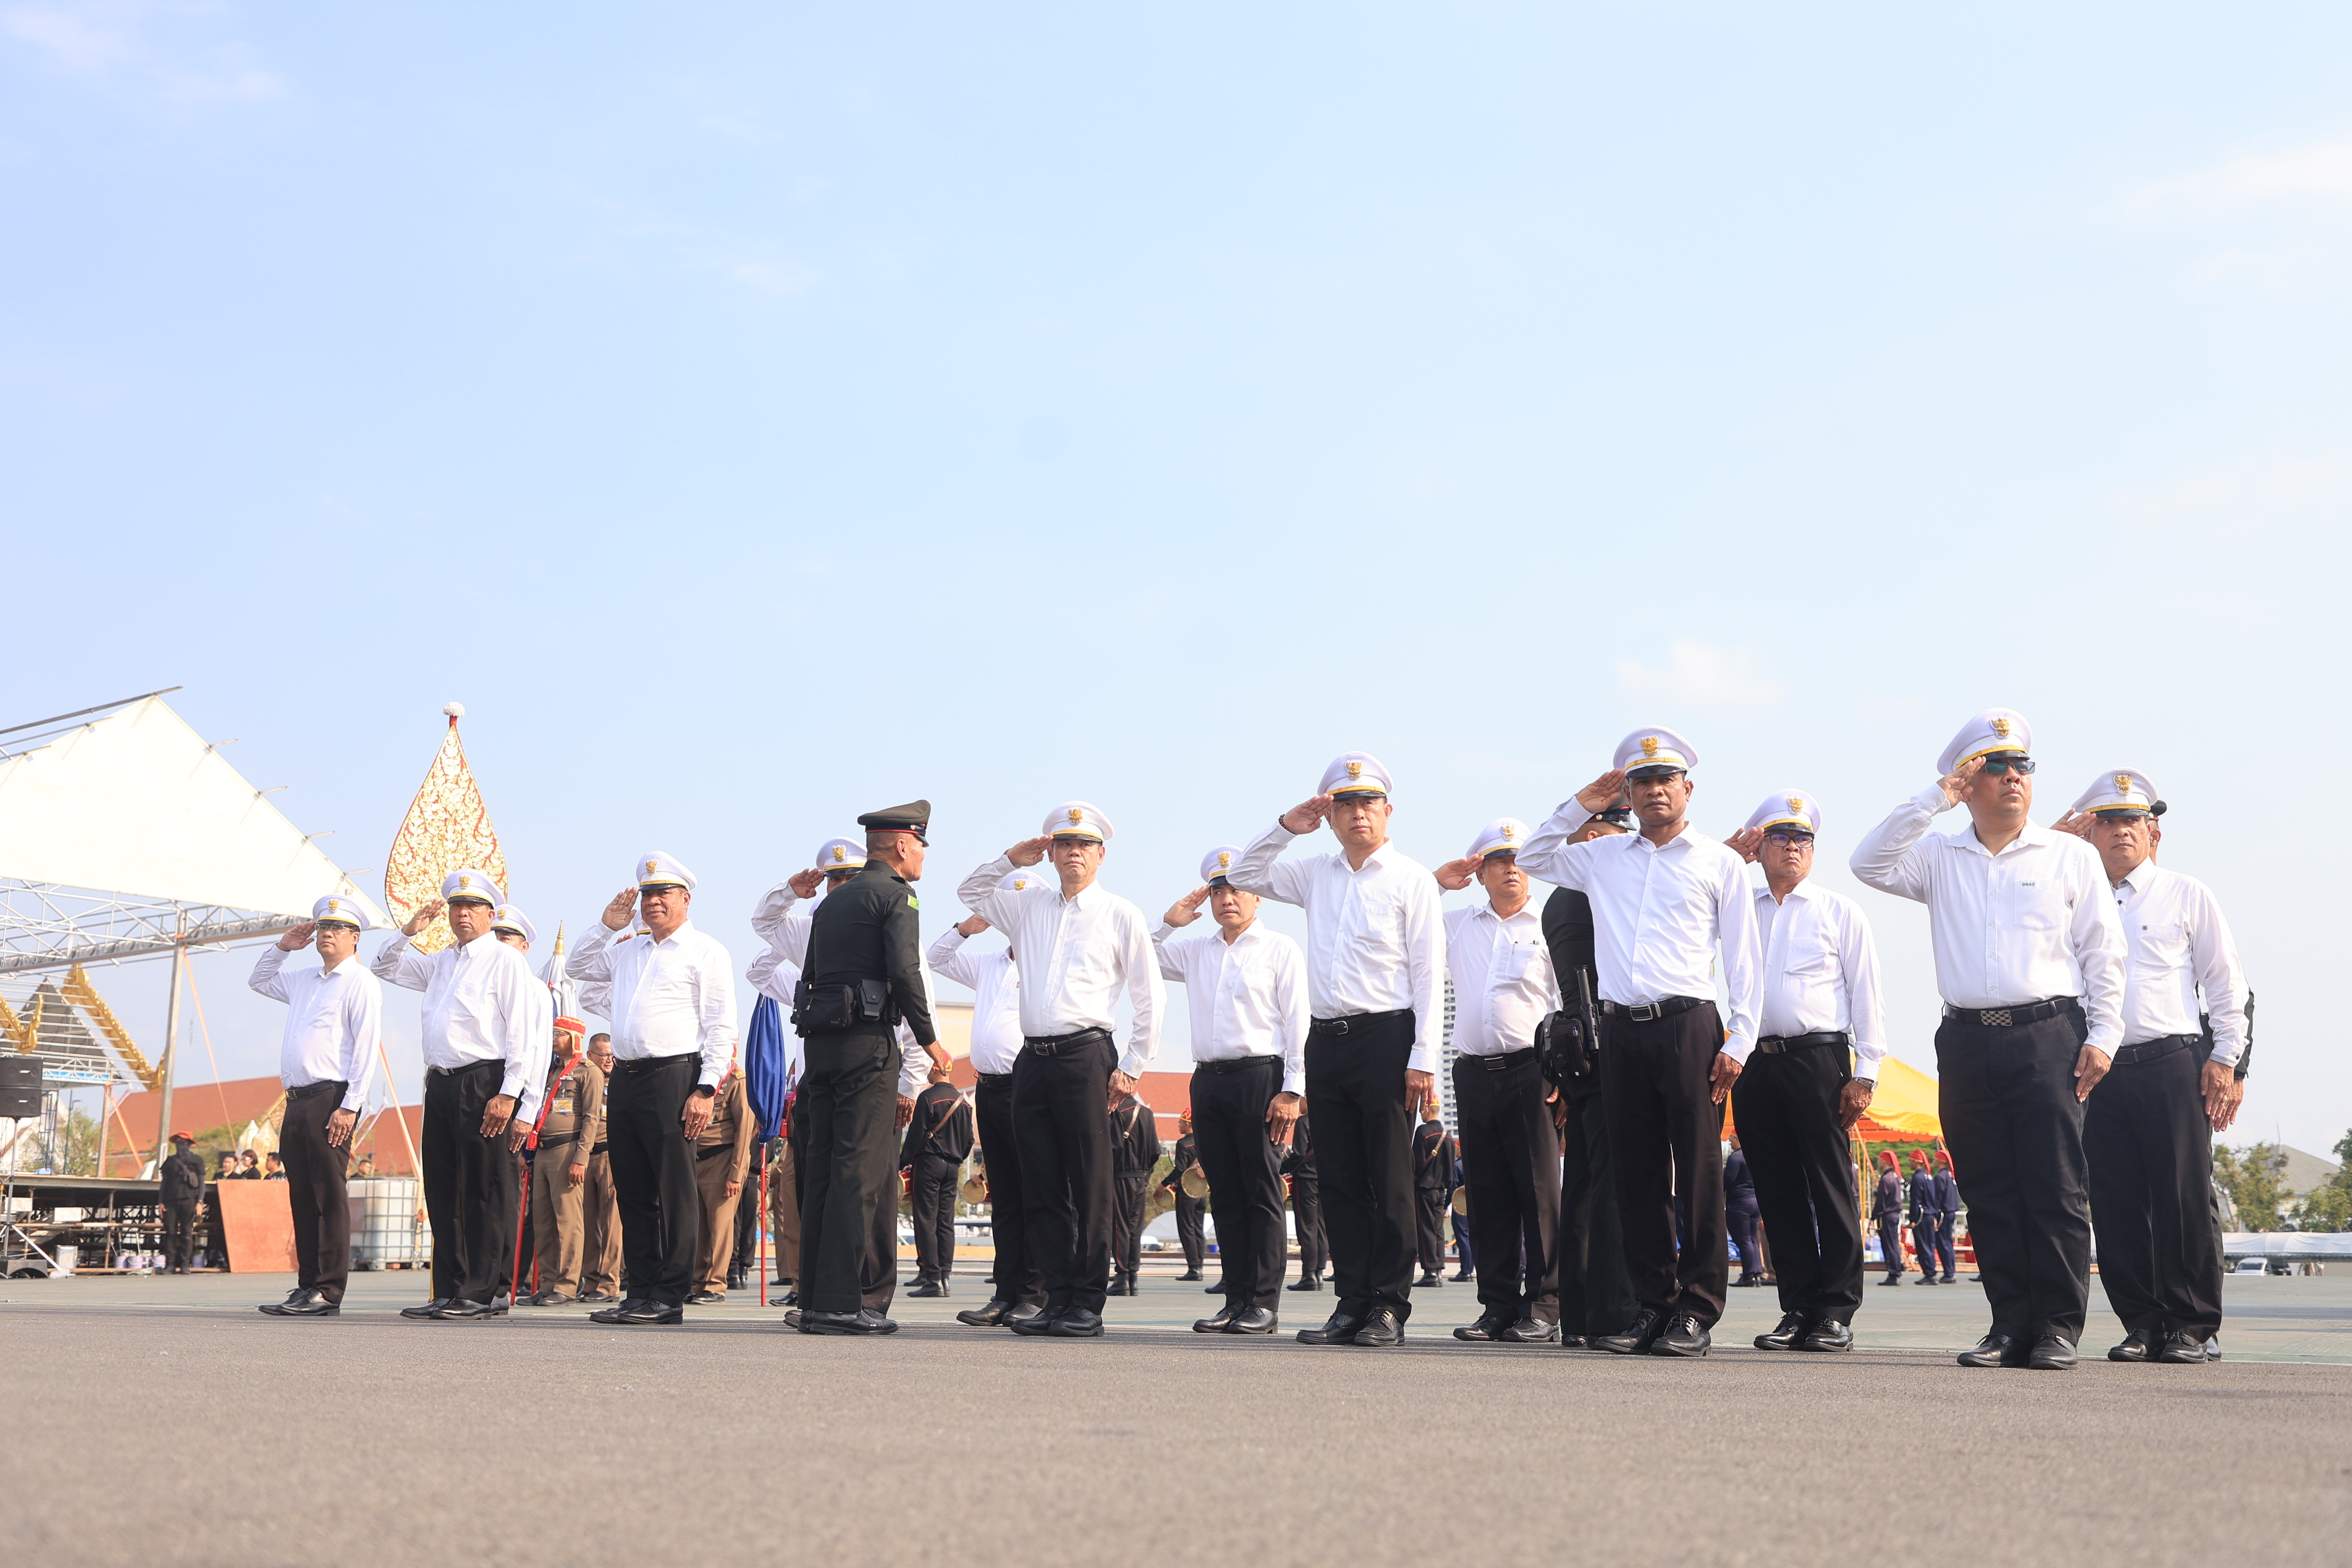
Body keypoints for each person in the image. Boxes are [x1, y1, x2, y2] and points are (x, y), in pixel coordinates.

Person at [1851, 708, 2126, 1371]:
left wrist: (2106, 1033)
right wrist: (1933, 799)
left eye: (2022, 766)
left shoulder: (2069, 855)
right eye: (1994, 767)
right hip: (1968, 1041)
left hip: (2049, 1035)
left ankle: (2057, 1326)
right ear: (1968, 782)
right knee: (1990, 1188)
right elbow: (1868, 861)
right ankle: (2009, 1325)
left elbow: (2104, 950)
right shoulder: (1939, 856)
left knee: (2055, 1187)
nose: (2012, 778)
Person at [1519, 729, 1762, 1359]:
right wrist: (1580, 802)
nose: (1655, 791)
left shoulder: (1720, 862)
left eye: (1665, 780)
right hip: (1621, 1029)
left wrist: (1739, 1039)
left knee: (1701, 1173)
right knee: (1637, 1175)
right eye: (1642, 782)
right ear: (1627, 791)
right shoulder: (1604, 857)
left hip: (1690, 1026)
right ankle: (1653, 1306)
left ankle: (1698, 1309)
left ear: (1688, 789)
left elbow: (1744, 963)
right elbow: (1536, 855)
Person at [1229, 752, 1443, 1349]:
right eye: (1344, 805)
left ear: (1387, 810)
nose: (1357, 814)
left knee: (1390, 1178)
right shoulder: (1314, 872)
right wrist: (1284, 827)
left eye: (1367, 803)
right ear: (1329, 816)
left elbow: (1428, 970)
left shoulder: (1411, 879)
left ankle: (1389, 1306)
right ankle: (1351, 1300)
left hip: (1387, 1038)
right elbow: (1245, 874)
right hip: (1326, 1041)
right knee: (1339, 1179)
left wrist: (1424, 1055)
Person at [2056, 768, 2249, 1366]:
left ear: (2153, 832)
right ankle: (2141, 1320)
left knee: (2182, 1200)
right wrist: (2059, 836)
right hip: (2098, 1069)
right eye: (2107, 821)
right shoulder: (2064, 899)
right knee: (2114, 1204)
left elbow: (2227, 983)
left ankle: (2191, 1325)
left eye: (2133, 820)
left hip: (2171, 1062)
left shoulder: (2186, 893)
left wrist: (2226, 1059)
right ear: (2089, 832)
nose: (2121, 832)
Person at [958, 802, 1161, 1339]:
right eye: (1063, 844)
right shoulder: (1028, 908)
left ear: (1100, 855)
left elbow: (1149, 995)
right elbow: (970, 894)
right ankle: (1053, 1297)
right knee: (1040, 1184)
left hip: (1086, 1057)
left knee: (1089, 1183)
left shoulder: (1120, 913)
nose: (1073, 852)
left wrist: (1135, 1065)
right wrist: (1008, 859)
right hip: (1033, 1060)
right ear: (1049, 853)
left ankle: (1087, 1302)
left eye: (1084, 845)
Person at [1721, 789, 1884, 1354]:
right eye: (1781, 838)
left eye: (1803, 839)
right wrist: (1728, 858)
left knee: (1831, 1185)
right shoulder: (1735, 905)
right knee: (1777, 1191)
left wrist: (1866, 1073)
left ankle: (1836, 1311)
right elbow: (1684, 912)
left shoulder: (1840, 911)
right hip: (1755, 1064)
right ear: (1758, 846)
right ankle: (1797, 1307)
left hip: (1820, 1060)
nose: (1793, 848)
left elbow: (1867, 996)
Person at [755, 833, 936, 1327]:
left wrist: (911, 1081)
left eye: (846, 876)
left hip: (839, 1054)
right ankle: (837, 1301)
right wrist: (931, 1043)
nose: (841, 885)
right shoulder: (884, 900)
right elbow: (907, 976)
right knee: (849, 1178)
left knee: (844, 1181)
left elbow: (910, 994)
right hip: (857, 1055)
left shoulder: (838, 915)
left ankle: (838, 1297)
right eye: (833, 878)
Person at [567, 851, 739, 1327]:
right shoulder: (627, 950)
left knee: (674, 1190)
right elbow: (578, 967)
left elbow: (722, 1027)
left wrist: (705, 1090)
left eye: (662, 893)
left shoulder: (706, 951)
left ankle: (668, 1294)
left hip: (675, 1077)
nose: (652, 901)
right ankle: (640, 1290)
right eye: (646, 894)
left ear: (685, 898)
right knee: (635, 1188)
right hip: (625, 1077)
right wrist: (605, 927)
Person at [373, 869, 548, 1321]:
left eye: (472, 907)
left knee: (484, 1190)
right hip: (442, 1081)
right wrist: (409, 932)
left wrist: (510, 1095)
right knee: (444, 1188)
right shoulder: (440, 962)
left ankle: (480, 1291)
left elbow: (522, 1036)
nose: (462, 914)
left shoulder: (505, 961)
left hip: (483, 1082)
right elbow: (385, 966)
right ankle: (449, 1288)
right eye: (455, 906)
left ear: (491, 914)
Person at [1153, 845, 1309, 1334]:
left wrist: (1293, 1091)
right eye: (1218, 891)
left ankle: (1263, 1302)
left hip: (1261, 1078)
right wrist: (1171, 921)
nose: (1228, 899)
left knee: (1261, 1190)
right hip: (1209, 1080)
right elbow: (1141, 957)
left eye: (1238, 888)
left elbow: (1298, 1022)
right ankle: (1236, 1298)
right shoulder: (1196, 950)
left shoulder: (1280, 948)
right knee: (1225, 1193)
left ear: (1259, 895)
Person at [1431, 818, 1564, 1343]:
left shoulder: (1549, 922)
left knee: (1539, 1193)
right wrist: (1438, 882)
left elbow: (1565, 1003)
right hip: (1473, 1072)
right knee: (1487, 1194)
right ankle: (1499, 1305)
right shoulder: (1458, 923)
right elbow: (1396, 918)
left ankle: (1546, 1305)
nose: (1512, 868)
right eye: (1498, 861)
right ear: (1478, 872)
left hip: (1532, 1071)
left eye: (1519, 860)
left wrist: (1563, 1075)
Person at [247, 895, 383, 1318]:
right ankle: (307, 1285)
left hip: (332, 1099)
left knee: (329, 1196)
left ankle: (328, 1290)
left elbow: (365, 1048)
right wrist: (284, 946)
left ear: (355, 937)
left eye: (337, 929)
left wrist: (351, 1106)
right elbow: (259, 979)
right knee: (302, 1196)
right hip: (296, 1101)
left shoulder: (360, 982)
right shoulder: (304, 978)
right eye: (323, 927)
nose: (326, 934)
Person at [1538, 802, 1639, 1348]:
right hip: (1605, 1043)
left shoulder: (1561, 898)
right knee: (1613, 1179)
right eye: (1611, 837)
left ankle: (1578, 1311)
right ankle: (1611, 1310)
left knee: (1582, 1180)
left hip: (1580, 1044)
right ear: (1590, 839)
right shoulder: (1588, 892)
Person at [929, 873, 1045, 1328]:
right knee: (1006, 1197)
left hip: (1029, 1086)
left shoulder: (1046, 960)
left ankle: (1035, 1294)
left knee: (1035, 1192)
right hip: (990, 1090)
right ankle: (1006, 1292)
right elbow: (935, 959)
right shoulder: (990, 963)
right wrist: (964, 929)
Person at [523, 1017, 603, 1305]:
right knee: (543, 1221)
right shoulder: (551, 1071)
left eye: (560, 1034)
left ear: (575, 1038)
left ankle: (568, 1285)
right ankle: (547, 1283)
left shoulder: (587, 1072)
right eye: (553, 1033)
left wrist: (581, 1158)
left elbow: (592, 1119)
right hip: (542, 1151)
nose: (554, 1038)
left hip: (568, 1151)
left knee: (568, 1222)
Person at [902, 1064, 975, 1298]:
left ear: (936, 1068)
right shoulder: (964, 1102)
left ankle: (932, 1279)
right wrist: (957, 1159)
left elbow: (915, 1136)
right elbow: (970, 1140)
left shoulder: (928, 1097)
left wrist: (903, 1161)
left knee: (926, 1221)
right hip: (953, 1167)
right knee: (946, 1223)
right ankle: (945, 1276)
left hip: (929, 1164)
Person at [687, 1062, 757, 1304]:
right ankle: (697, 1283)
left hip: (722, 1160)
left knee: (719, 1228)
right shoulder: (698, 1077)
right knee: (699, 1229)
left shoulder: (737, 1081)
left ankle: (716, 1285)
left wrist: (736, 1174)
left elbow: (745, 1131)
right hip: (695, 1159)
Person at [579, 1033, 622, 1302]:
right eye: (603, 1055)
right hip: (585, 1157)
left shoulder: (622, 1081)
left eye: (611, 1055)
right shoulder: (584, 1079)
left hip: (611, 1154)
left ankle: (609, 1284)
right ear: (590, 1055)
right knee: (588, 1222)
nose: (609, 1060)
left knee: (611, 1224)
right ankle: (591, 1280)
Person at [1108, 1089, 1162, 1296]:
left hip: (1120, 1175)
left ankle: (1122, 1277)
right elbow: (1156, 1151)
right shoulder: (1146, 1112)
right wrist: (1145, 1173)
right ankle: (1133, 1277)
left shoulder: (1117, 1111)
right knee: (1134, 1229)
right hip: (1141, 1177)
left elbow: (1113, 1147)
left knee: (1119, 1227)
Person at [1411, 1104, 1454, 1288]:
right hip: (1442, 1190)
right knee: (1438, 1231)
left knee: (1425, 1230)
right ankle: (1438, 1270)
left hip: (1425, 1188)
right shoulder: (1449, 1136)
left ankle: (1430, 1272)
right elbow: (1451, 1167)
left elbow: (1416, 1163)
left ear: (1428, 1109)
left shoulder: (1423, 1132)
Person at [1282, 1115, 1327, 1291]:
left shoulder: (1304, 1122)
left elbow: (1299, 1153)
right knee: (1322, 1228)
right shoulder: (1334, 1118)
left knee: (1307, 1228)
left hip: (1306, 1179)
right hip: (1326, 1179)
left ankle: (1309, 1274)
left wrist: (1282, 1168)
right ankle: (1319, 1274)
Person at [1162, 1112, 1207, 1280]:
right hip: (1202, 1192)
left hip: (1187, 1192)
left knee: (1186, 1229)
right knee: (1198, 1229)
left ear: (1188, 1124)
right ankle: (1200, 1265)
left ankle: (1194, 1268)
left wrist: (1164, 1184)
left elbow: (1180, 1170)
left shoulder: (1183, 1144)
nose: (1178, 1125)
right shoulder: (1205, 1141)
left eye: (1180, 1122)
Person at [158, 1132, 205, 1274]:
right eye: (178, 1142)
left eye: (184, 1142)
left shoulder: (198, 1160)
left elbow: (202, 1183)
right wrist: (161, 1202)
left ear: (190, 1144)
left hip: (190, 1200)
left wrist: (200, 1202)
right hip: (171, 1201)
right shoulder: (170, 1161)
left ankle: (185, 1264)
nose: (180, 1145)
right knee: (170, 1232)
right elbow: (164, 1183)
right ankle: (170, 1265)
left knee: (187, 1232)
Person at [1724, 1137, 1763, 1288]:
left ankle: (1749, 1274)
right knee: (1752, 1239)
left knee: (1743, 1239)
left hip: (1740, 1202)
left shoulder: (1736, 1158)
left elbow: (1729, 1179)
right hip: (1755, 1201)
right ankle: (1756, 1272)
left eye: (1731, 1140)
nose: (1730, 1143)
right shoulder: (1755, 1155)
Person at [1907, 1150, 1942, 1285]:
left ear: (1917, 1162)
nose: (1909, 1163)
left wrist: (1913, 1219)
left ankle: (1929, 1273)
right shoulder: (1929, 1177)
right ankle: (1931, 1271)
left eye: (1911, 1161)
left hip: (1921, 1216)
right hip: (1930, 1215)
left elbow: (1915, 1200)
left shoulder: (1917, 1178)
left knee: (1923, 1246)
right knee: (1930, 1244)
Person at [1873, 1152, 1907, 1285]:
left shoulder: (1886, 1179)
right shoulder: (1895, 1177)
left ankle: (1894, 1272)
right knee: (1893, 1243)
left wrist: (1874, 1215)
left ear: (1886, 1162)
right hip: (1894, 1214)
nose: (1878, 1163)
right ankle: (1896, 1270)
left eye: (1880, 1160)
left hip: (1887, 1215)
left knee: (1889, 1244)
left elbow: (1882, 1200)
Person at [1933, 1153, 1962, 1285]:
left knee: (1943, 1243)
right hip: (1951, 1211)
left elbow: (1938, 1198)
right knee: (1948, 1243)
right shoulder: (1951, 1176)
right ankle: (1951, 1271)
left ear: (1941, 1162)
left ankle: (1949, 1273)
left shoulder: (1940, 1177)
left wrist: (1935, 1215)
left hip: (1943, 1213)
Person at [1449, 1150, 1475, 1282]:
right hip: (1474, 1206)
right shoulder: (1473, 1164)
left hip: (1460, 1206)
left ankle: (1465, 1271)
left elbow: (1452, 1188)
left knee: (1462, 1238)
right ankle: (1470, 1270)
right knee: (1471, 1238)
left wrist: (1444, 1205)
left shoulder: (1457, 1166)